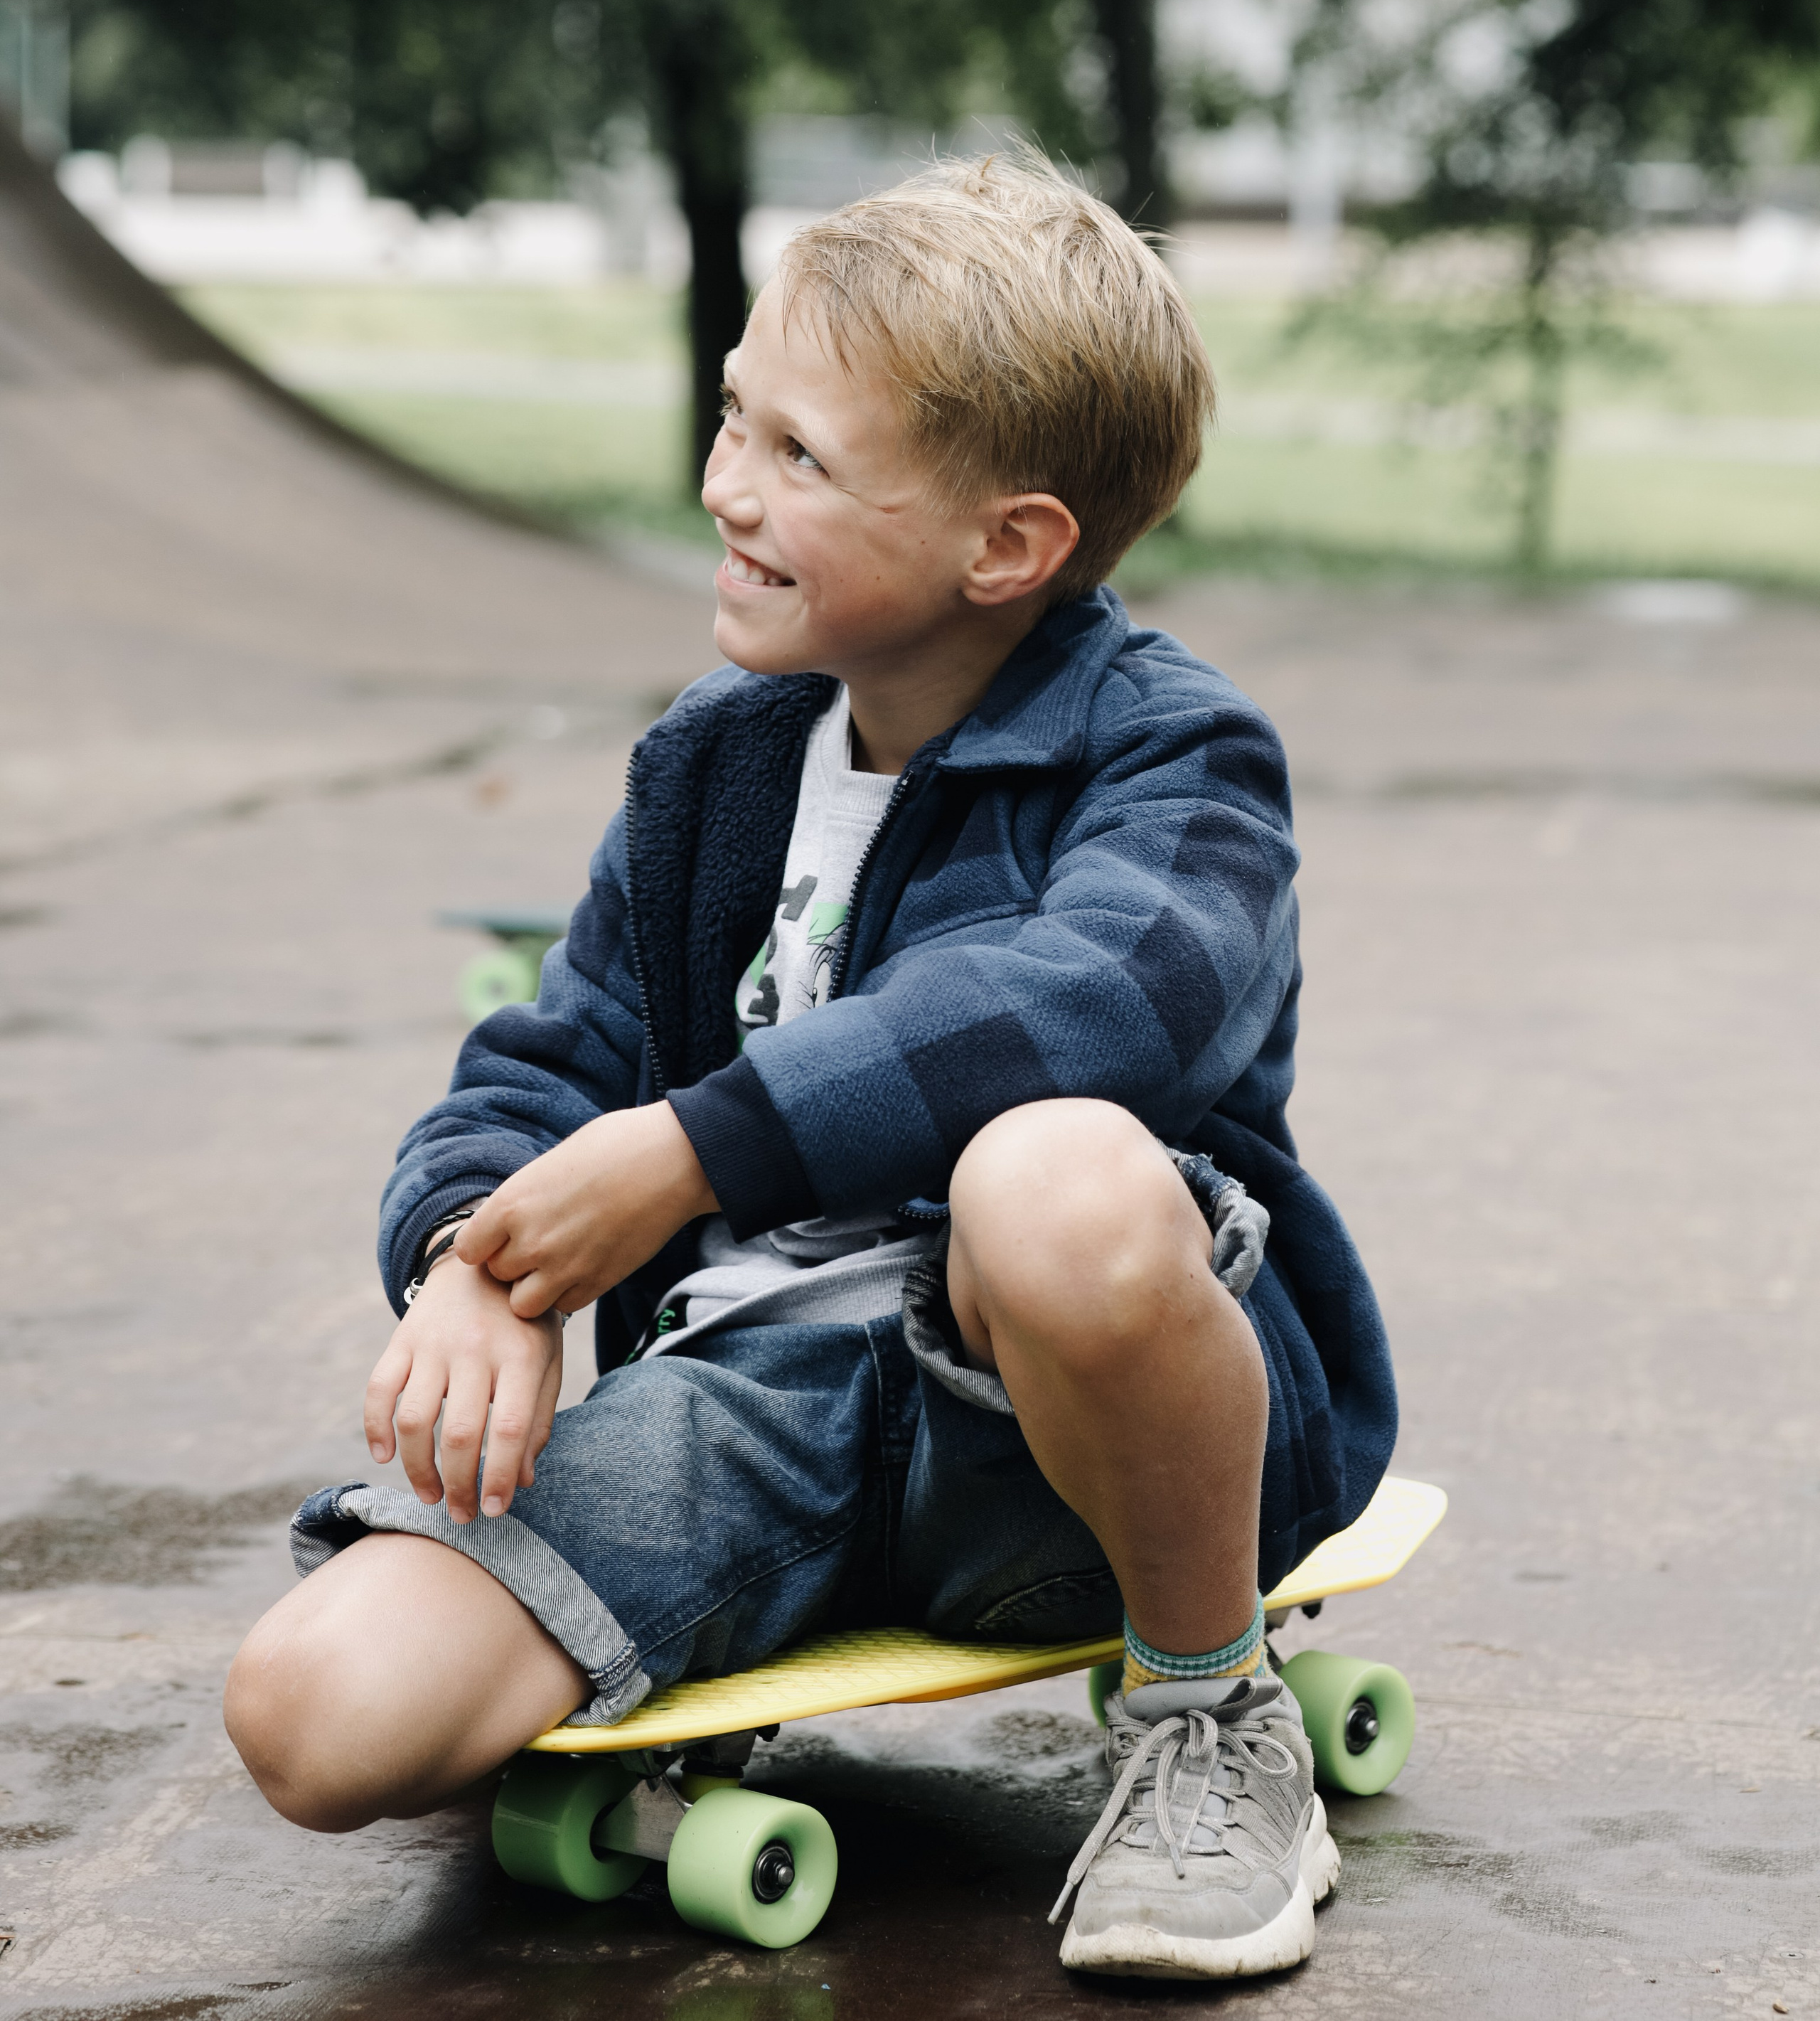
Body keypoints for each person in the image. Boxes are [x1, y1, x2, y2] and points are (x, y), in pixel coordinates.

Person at [224, 156, 1396, 1981]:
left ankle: (1201, 1710)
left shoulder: (1173, 757)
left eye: (795, 458)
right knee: (311, 1715)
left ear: (1003, 549)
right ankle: (680, 1669)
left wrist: (691, 1157)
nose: (721, 490)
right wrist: (480, 1261)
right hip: (753, 1406)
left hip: (1055, 1430)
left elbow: (1094, 1004)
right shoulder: (716, 765)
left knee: (1050, 1174)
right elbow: (550, 1050)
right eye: (729, 422)